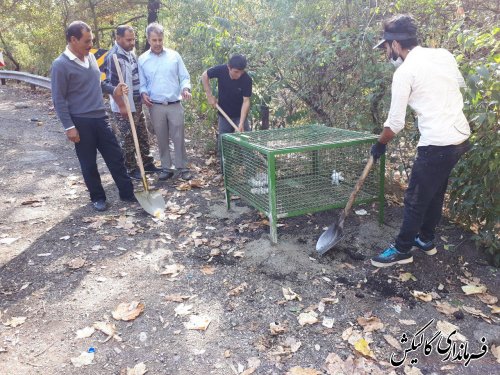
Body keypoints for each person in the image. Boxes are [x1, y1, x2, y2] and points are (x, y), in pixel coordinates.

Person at [370, 14, 471, 268]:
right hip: (459, 138)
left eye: (386, 48)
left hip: (437, 143)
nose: (387, 54)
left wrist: (380, 143)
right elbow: (457, 84)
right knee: (435, 191)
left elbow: (394, 125)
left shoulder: (405, 72)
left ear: (395, 44)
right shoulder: (444, 55)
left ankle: (402, 250)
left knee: (415, 198)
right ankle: (425, 239)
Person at [51, 21, 136, 212]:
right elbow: (58, 99)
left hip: (100, 117)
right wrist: (68, 126)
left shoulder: (90, 58)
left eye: (92, 40)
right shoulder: (60, 65)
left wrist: (114, 89)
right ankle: (98, 198)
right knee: (88, 163)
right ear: (73, 40)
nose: (91, 45)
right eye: (87, 41)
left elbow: (98, 83)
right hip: (81, 121)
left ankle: (127, 193)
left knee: (116, 156)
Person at [102, 25, 161, 180]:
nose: (132, 42)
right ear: (118, 38)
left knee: (142, 133)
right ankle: (131, 168)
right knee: (127, 137)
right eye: (129, 40)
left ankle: (147, 164)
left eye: (133, 39)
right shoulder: (113, 56)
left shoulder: (130, 53)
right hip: (123, 104)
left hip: (136, 101)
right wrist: (121, 105)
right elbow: (110, 85)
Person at [138, 22, 192, 181]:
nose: (157, 43)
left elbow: (184, 77)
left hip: (175, 104)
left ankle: (182, 167)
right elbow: (142, 84)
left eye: (160, 39)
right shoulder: (142, 60)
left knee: (178, 137)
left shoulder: (174, 56)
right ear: (148, 39)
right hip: (155, 106)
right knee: (161, 137)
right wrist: (143, 93)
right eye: (154, 40)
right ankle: (166, 168)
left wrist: (186, 88)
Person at [201, 54, 252, 164]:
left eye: (241, 72)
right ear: (229, 67)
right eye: (235, 72)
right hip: (224, 115)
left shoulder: (246, 79)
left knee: (247, 144)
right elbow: (205, 75)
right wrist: (209, 95)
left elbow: (246, 101)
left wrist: (242, 122)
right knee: (223, 145)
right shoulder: (221, 70)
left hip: (240, 116)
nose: (238, 75)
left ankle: (250, 173)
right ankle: (225, 174)